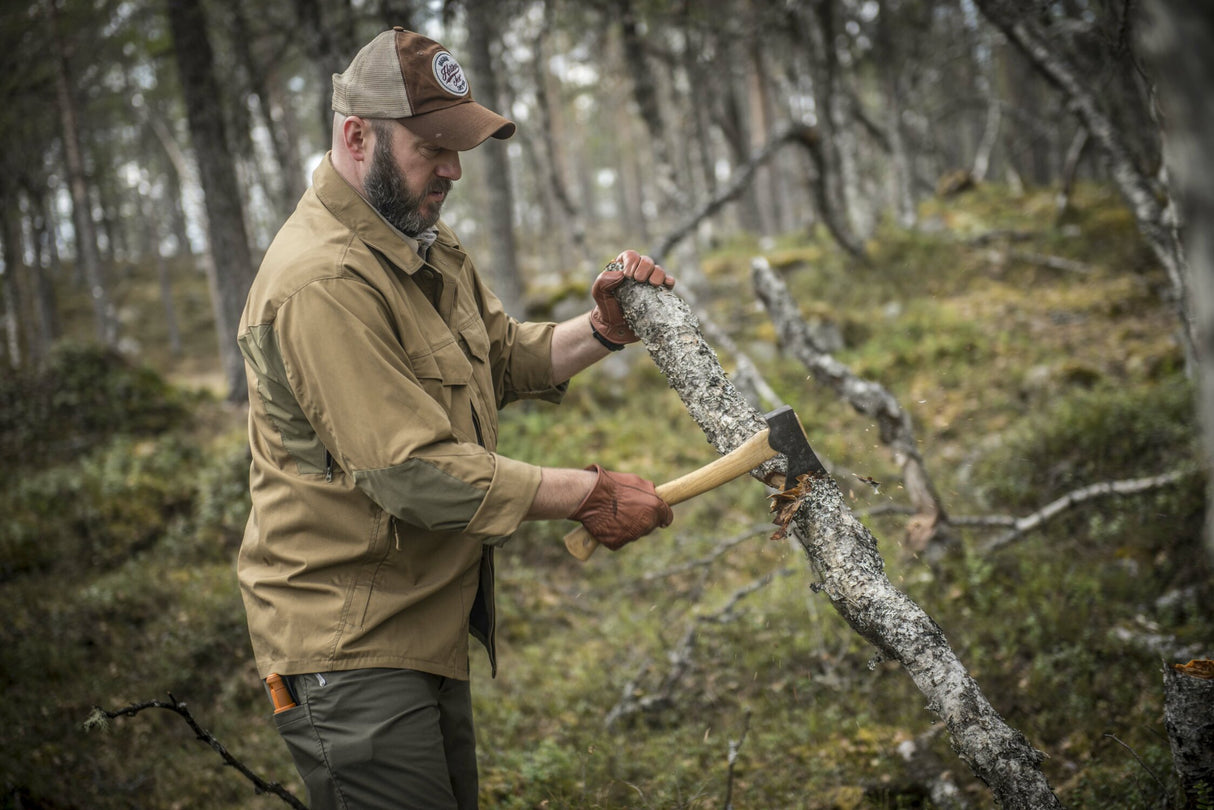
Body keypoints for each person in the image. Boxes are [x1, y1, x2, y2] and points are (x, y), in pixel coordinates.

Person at [236, 26, 675, 810]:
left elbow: (497, 356)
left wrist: (603, 329)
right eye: (431, 147)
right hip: (350, 644)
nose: (452, 169)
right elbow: (411, 470)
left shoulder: (417, 240)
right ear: (356, 135)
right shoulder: (322, 281)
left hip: (417, 625)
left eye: (459, 145)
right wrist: (586, 492)